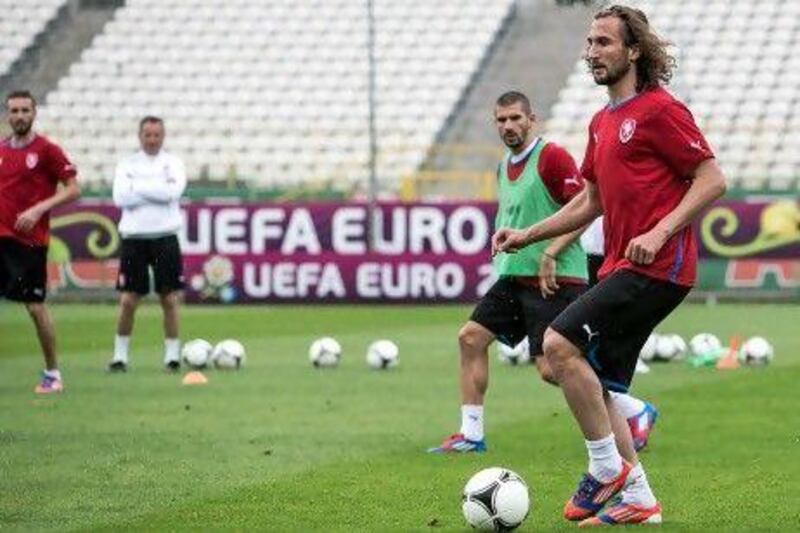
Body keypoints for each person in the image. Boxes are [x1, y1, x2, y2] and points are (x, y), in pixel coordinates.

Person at [493, 6, 726, 526]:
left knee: (556, 346)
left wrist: (661, 229)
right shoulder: (601, 122)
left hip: (658, 266)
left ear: (634, 50)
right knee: (599, 385)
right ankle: (639, 496)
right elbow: (589, 201)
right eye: (590, 42)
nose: (592, 52)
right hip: (624, 266)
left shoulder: (661, 111)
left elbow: (712, 179)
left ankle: (604, 468)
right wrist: (527, 236)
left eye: (603, 42)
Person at [428, 91, 657, 454]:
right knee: (470, 338)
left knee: (553, 369)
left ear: (531, 119)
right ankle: (470, 435)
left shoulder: (551, 158)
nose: (508, 126)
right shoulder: (503, 165)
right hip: (515, 276)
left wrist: (552, 250)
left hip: (556, 280)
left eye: (516, 118)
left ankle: (634, 409)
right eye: (501, 120)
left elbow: (586, 209)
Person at [0, 90, 81, 393]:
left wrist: (38, 209)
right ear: (8, 114)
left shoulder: (47, 150)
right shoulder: (2, 150)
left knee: (34, 307)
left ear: (34, 113)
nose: (19, 116)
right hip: (1, 238)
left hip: (29, 242)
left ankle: (52, 373)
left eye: (25, 110)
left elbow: (73, 189)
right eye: (14, 111)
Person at [108, 116, 187, 373]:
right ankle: (120, 356)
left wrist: (138, 189)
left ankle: (172, 357)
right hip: (134, 238)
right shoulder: (126, 164)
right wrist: (156, 190)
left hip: (165, 236)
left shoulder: (173, 163)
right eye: (147, 135)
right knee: (129, 300)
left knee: (169, 298)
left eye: (156, 135)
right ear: (139, 136)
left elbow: (172, 194)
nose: (152, 140)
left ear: (163, 136)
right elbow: (121, 198)